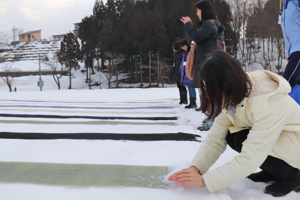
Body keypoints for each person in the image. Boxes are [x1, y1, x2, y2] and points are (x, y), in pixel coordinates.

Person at [168, 51, 300, 197]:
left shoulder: (267, 103)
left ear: (224, 83)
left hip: (296, 146)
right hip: (283, 142)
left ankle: (293, 177)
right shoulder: (234, 94)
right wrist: (196, 168)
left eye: (208, 88)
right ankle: (274, 172)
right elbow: (214, 139)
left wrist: (207, 181)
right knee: (233, 135)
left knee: (242, 139)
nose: (207, 93)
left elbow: (252, 155)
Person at [180, 0, 219, 129]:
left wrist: (188, 25)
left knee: (208, 94)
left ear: (204, 10)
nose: (197, 13)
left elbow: (196, 37)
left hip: (207, 64)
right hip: (206, 63)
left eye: (198, 11)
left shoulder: (208, 24)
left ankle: (212, 121)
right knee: (205, 93)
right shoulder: (207, 24)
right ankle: (209, 118)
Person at [281, 0, 300, 88]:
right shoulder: (284, 4)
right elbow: (288, 32)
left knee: (286, 84)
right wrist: (288, 52)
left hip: (298, 49)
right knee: (296, 84)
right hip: (294, 50)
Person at [180, 39, 197, 109]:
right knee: (189, 87)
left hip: (190, 72)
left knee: (192, 87)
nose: (183, 48)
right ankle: (191, 102)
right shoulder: (186, 53)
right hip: (186, 72)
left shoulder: (190, 52)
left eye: (183, 46)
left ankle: (194, 103)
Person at [172, 41, 187, 105]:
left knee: (182, 86)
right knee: (179, 86)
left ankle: (185, 99)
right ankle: (182, 99)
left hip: (181, 72)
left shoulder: (181, 53)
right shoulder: (177, 54)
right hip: (177, 72)